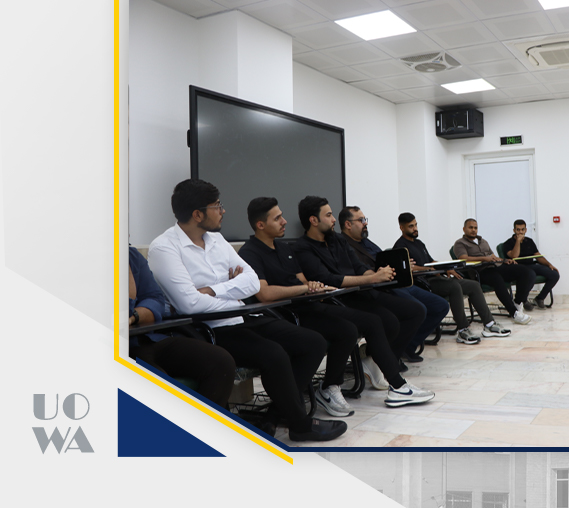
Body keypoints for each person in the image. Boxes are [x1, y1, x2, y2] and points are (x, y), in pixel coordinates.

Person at [148, 179, 347, 441]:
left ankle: (274, 416)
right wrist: (232, 289)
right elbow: (190, 304)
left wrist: (213, 290)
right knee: (274, 354)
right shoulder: (164, 248)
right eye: (217, 206)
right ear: (197, 214)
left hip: (244, 315)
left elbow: (252, 282)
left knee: (313, 342)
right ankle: (301, 425)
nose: (223, 211)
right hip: (211, 328)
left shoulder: (216, 239)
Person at [238, 197, 434, 410]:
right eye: (278, 218)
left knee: (383, 320)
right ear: (260, 224)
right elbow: (266, 294)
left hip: (312, 303)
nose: (284, 221)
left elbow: (304, 280)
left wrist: (313, 286)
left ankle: (349, 382)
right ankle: (390, 385)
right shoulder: (253, 252)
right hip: (291, 312)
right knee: (363, 325)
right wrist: (308, 287)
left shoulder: (285, 248)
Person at [292, 196, 428, 378]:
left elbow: (359, 267)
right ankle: (385, 368)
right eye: (329, 215)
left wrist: (377, 275)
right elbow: (329, 279)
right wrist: (372, 278)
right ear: (313, 220)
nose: (334, 220)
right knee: (386, 321)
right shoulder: (302, 248)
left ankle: (375, 361)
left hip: (361, 293)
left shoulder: (338, 240)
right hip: (339, 299)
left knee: (413, 311)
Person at [128, 246, 236, 409]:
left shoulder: (132, 255)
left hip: (148, 338)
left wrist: (135, 316)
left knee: (220, 361)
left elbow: (155, 299)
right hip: (117, 346)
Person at [338, 206, 449, 363]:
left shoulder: (366, 241)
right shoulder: (344, 245)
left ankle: (408, 346)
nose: (365, 223)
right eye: (361, 220)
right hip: (380, 287)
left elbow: (383, 259)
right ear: (348, 224)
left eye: (365, 219)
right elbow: (362, 271)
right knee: (418, 310)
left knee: (441, 306)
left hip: (397, 281)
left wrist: (403, 264)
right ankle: (393, 355)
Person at [394, 212, 512, 344]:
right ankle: (463, 330)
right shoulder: (400, 247)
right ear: (402, 227)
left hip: (435, 278)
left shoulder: (419, 243)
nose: (415, 229)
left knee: (473, 285)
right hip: (421, 283)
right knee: (454, 286)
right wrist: (428, 269)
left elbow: (430, 261)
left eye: (416, 225)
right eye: (411, 226)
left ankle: (489, 325)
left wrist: (446, 267)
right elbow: (408, 269)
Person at [453, 218, 535, 324]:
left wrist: (505, 260)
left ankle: (518, 302)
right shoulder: (460, 243)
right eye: (470, 227)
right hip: (480, 271)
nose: (473, 230)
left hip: (495, 266)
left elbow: (493, 256)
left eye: (475, 228)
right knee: (497, 278)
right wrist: (484, 259)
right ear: (464, 229)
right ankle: (514, 313)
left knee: (525, 271)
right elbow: (463, 258)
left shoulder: (483, 241)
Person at [501, 219, 560, 309]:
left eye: (522, 229)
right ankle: (523, 300)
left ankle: (540, 298)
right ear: (514, 230)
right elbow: (514, 256)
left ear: (526, 230)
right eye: (518, 230)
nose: (520, 232)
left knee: (554, 274)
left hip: (531, 265)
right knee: (530, 274)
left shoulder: (529, 241)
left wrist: (549, 264)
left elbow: (538, 256)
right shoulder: (508, 243)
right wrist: (518, 241)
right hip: (518, 267)